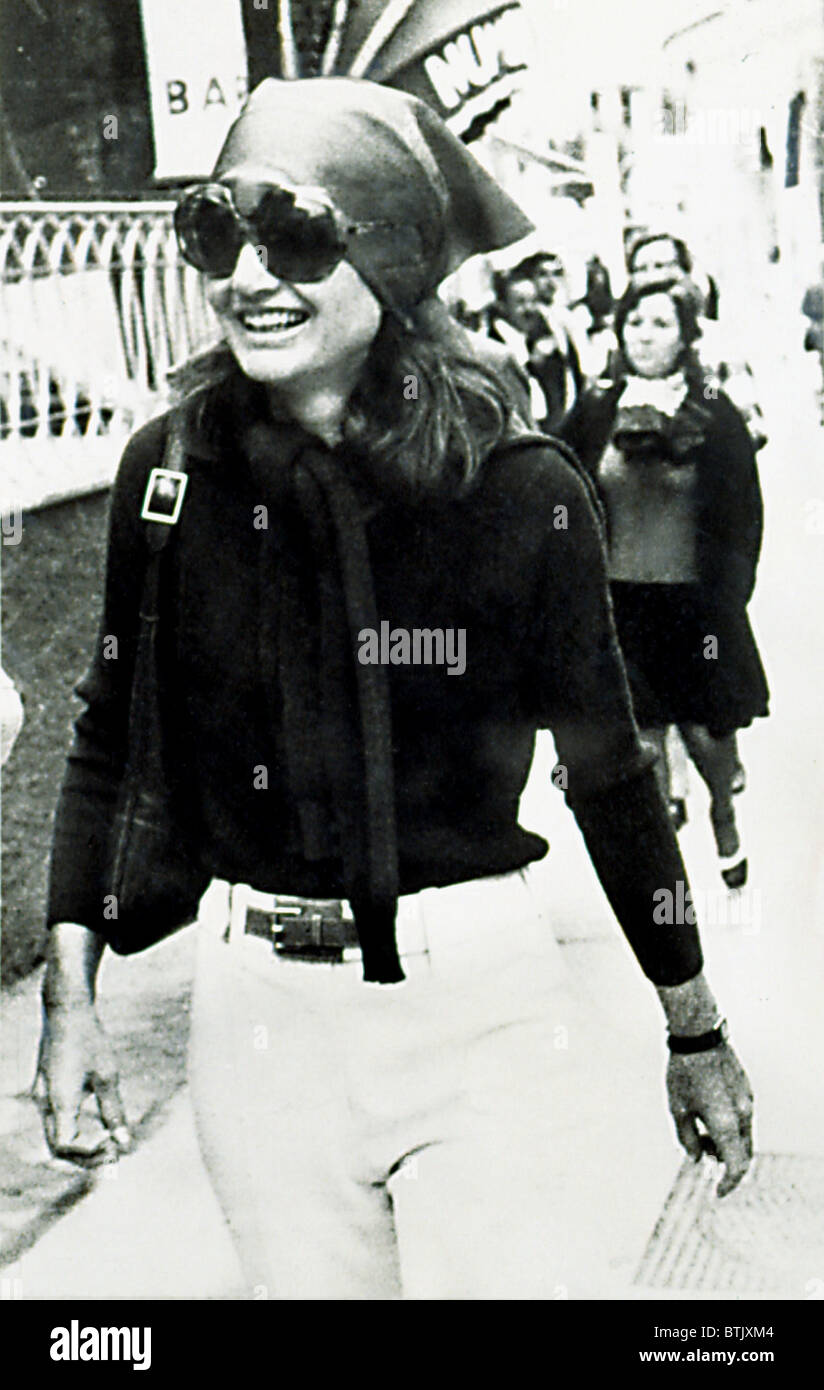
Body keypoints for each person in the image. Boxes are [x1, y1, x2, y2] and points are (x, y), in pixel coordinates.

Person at [38, 78, 753, 1301]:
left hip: (481, 1002)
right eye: (220, 235)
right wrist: (72, 1001)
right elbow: (111, 739)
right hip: (259, 1023)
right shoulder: (169, 476)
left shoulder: (519, 491)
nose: (249, 276)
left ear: (392, 257)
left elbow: (607, 772)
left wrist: (690, 1022)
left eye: (299, 239)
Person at [559, 276, 769, 888]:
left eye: (659, 324)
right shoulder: (599, 404)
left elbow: (742, 512)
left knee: (707, 731)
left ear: (684, 337)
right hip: (623, 604)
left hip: (696, 606)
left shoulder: (711, 406)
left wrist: (731, 594)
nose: (643, 335)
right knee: (642, 737)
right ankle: (664, 867)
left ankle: (723, 813)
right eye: (634, 323)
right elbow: (562, 478)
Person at [627, 232, 767, 452]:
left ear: (685, 272)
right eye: (641, 269)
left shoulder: (713, 342)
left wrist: (706, 393)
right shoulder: (623, 344)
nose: (651, 276)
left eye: (661, 265)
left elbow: (744, 419)